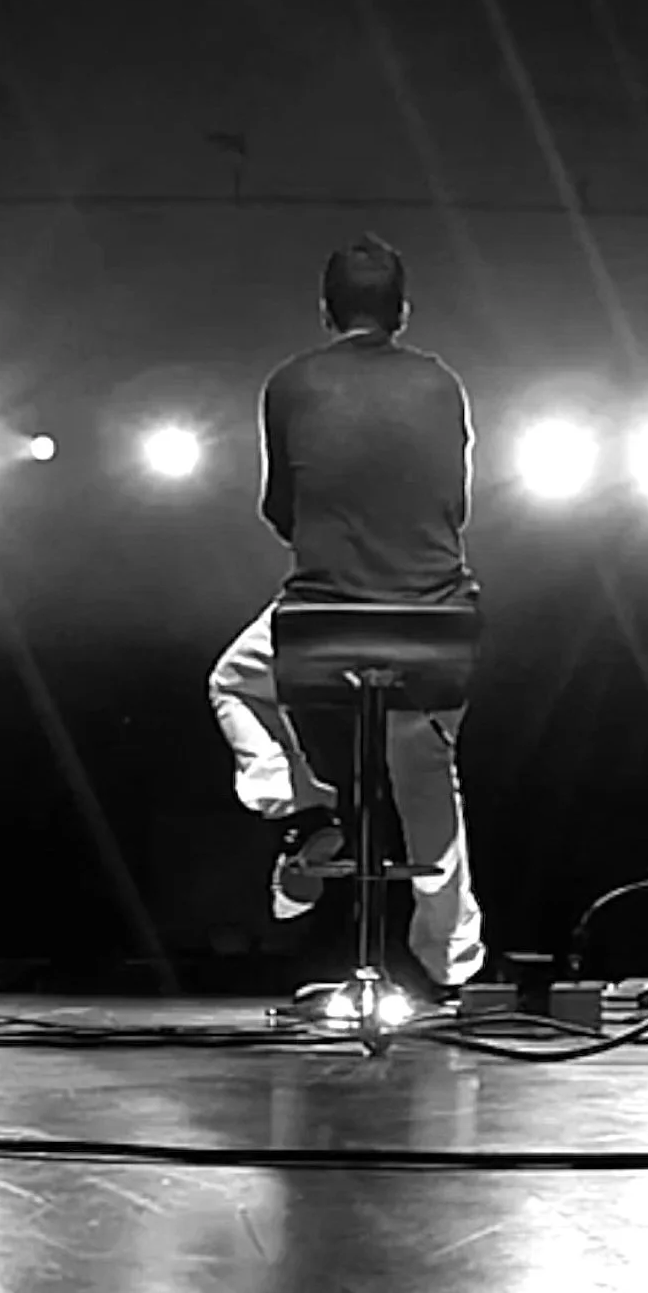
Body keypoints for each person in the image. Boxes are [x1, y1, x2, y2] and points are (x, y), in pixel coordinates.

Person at [208, 232, 485, 996]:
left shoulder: (290, 382)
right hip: (436, 624)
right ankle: (450, 963)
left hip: (324, 625)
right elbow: (456, 504)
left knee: (234, 684)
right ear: (405, 310)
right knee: (426, 767)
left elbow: (279, 510)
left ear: (325, 310)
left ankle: (300, 813)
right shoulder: (442, 384)